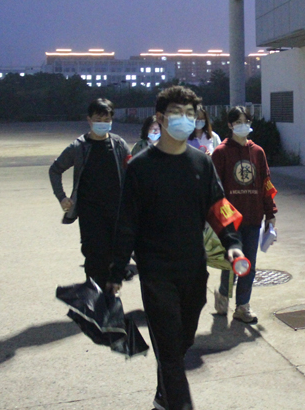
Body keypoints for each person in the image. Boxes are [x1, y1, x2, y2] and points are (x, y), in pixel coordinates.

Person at [108, 86, 244, 410]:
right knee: (169, 350)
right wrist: (115, 270)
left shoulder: (201, 163)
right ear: (160, 118)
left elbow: (219, 206)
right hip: (156, 273)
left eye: (190, 114)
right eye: (177, 113)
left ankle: (163, 393)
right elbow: (126, 223)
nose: (185, 119)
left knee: (181, 343)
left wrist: (233, 244)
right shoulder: (140, 167)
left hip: (193, 269)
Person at [48, 98, 130, 288]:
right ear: (89, 120)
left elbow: (132, 171)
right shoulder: (78, 147)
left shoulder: (119, 145)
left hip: (117, 212)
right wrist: (62, 197)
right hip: (90, 214)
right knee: (94, 257)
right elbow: (55, 170)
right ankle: (95, 297)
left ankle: (109, 298)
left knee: (115, 258)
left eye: (107, 119)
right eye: (98, 119)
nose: (103, 123)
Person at [211, 106, 277, 324]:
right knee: (232, 263)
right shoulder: (221, 153)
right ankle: (223, 293)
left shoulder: (257, 152)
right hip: (230, 221)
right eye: (238, 122)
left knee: (248, 265)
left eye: (246, 121)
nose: (243, 125)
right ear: (230, 125)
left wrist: (270, 213)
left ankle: (242, 306)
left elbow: (266, 184)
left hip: (253, 217)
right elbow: (215, 188)